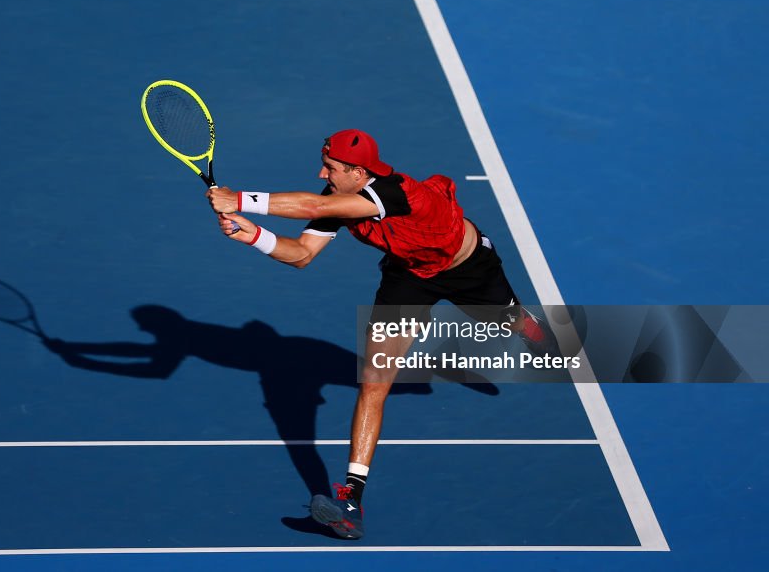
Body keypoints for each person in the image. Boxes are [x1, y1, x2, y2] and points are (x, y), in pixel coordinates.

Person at [206, 129, 554, 540]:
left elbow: (313, 205)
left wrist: (241, 199)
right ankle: (351, 501)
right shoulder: (340, 197)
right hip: (408, 277)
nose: (322, 172)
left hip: (468, 270)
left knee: (508, 322)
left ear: (358, 171)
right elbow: (301, 254)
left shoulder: (397, 194)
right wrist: (255, 237)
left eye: (331, 167)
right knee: (374, 383)